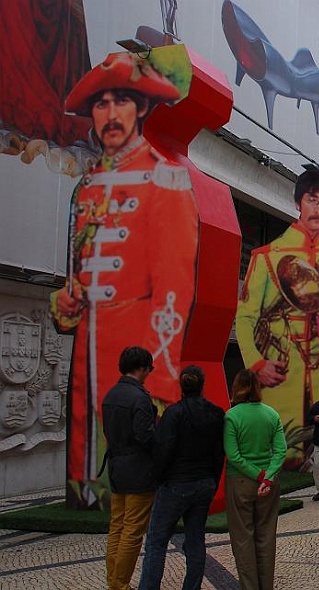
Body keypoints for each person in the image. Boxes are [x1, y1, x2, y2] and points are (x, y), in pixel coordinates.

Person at [51, 52, 197, 508]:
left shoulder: (166, 180)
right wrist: (65, 305)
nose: (111, 114)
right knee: (88, 461)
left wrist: (159, 372)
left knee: (133, 481)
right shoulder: (88, 187)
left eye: (122, 102)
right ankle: (86, 496)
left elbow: (175, 286)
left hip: (136, 350)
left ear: (141, 109)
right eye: (101, 104)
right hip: (87, 355)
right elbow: (77, 275)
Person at [236, 165, 319, 466]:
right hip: (280, 373)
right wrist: (255, 362)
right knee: (281, 453)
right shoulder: (265, 257)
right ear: (297, 202)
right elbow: (245, 317)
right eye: (312, 199)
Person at [139, 365, 226, 590]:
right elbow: (219, 453)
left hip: (177, 483)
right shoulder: (216, 413)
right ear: (202, 384)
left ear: (182, 385)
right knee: (196, 538)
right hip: (204, 482)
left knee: (157, 541)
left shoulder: (174, 413)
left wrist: (159, 478)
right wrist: (213, 480)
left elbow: (163, 449)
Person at [224, 369, 286, 590]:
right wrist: (267, 477)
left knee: (243, 539)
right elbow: (280, 451)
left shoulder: (231, 416)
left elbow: (233, 455)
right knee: (266, 537)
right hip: (268, 484)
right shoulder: (271, 414)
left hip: (240, 482)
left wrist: (256, 474)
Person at [102, 346, 159, 590]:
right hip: (138, 470)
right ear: (142, 368)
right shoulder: (139, 398)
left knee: (117, 525)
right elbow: (145, 436)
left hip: (116, 467)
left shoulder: (111, 395)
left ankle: (114, 580)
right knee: (133, 530)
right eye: (149, 369)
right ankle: (120, 584)